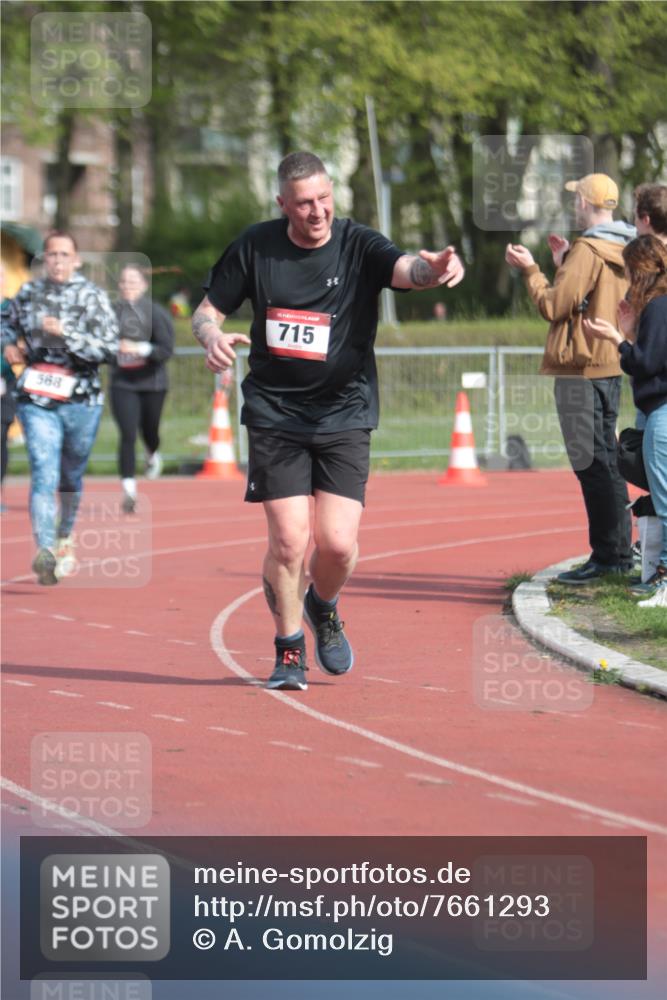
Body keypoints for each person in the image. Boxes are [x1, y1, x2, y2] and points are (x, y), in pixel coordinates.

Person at [192, 151, 464, 691]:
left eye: (323, 199)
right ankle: (288, 651)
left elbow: (403, 270)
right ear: (282, 205)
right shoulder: (255, 245)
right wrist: (211, 337)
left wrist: (431, 270)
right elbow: (207, 311)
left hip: (344, 410)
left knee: (336, 545)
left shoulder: (358, 243)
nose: (316, 212)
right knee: (290, 542)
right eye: (303, 204)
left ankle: (324, 605)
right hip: (275, 412)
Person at [505, 173, 635, 584]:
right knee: (605, 461)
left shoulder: (587, 248)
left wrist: (533, 271)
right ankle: (616, 550)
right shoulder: (625, 245)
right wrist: (565, 267)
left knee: (591, 464)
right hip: (609, 362)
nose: (574, 205)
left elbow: (555, 305)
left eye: (576, 198)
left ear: (584, 203)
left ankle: (610, 556)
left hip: (579, 366)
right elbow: (591, 298)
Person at [0, 231, 119, 584]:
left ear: (76, 260)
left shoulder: (92, 297)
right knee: (43, 470)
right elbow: (4, 322)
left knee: (70, 476)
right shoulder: (29, 294)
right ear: (44, 259)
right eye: (51, 254)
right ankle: (46, 550)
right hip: (36, 397)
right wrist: (8, 345)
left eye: (65, 254)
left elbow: (110, 350)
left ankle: (65, 533)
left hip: (81, 399)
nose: (57, 260)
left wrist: (67, 333)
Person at [584, 235, 667, 606]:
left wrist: (618, 338)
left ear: (640, 271)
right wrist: (631, 331)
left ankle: (664, 579)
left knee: (665, 498)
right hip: (660, 408)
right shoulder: (658, 308)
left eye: (630, 271)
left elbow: (645, 364)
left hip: (663, 410)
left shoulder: (659, 306)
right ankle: (660, 574)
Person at [110, 264, 174, 513]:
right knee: (127, 434)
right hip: (122, 382)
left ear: (144, 285)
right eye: (124, 282)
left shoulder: (154, 313)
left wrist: (140, 349)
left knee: (150, 431)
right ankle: (129, 490)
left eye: (133, 282)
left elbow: (166, 349)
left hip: (152, 383)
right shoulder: (111, 313)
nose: (128, 286)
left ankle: (152, 452)